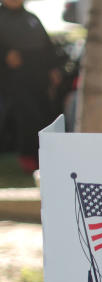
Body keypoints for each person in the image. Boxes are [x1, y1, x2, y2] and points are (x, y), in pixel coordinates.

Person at [0, 0, 62, 173]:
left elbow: (48, 47)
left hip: (39, 80)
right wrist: (5, 55)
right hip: (15, 80)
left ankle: (47, 157)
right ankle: (28, 158)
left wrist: (53, 68)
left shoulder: (31, 17)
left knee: (45, 117)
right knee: (27, 117)